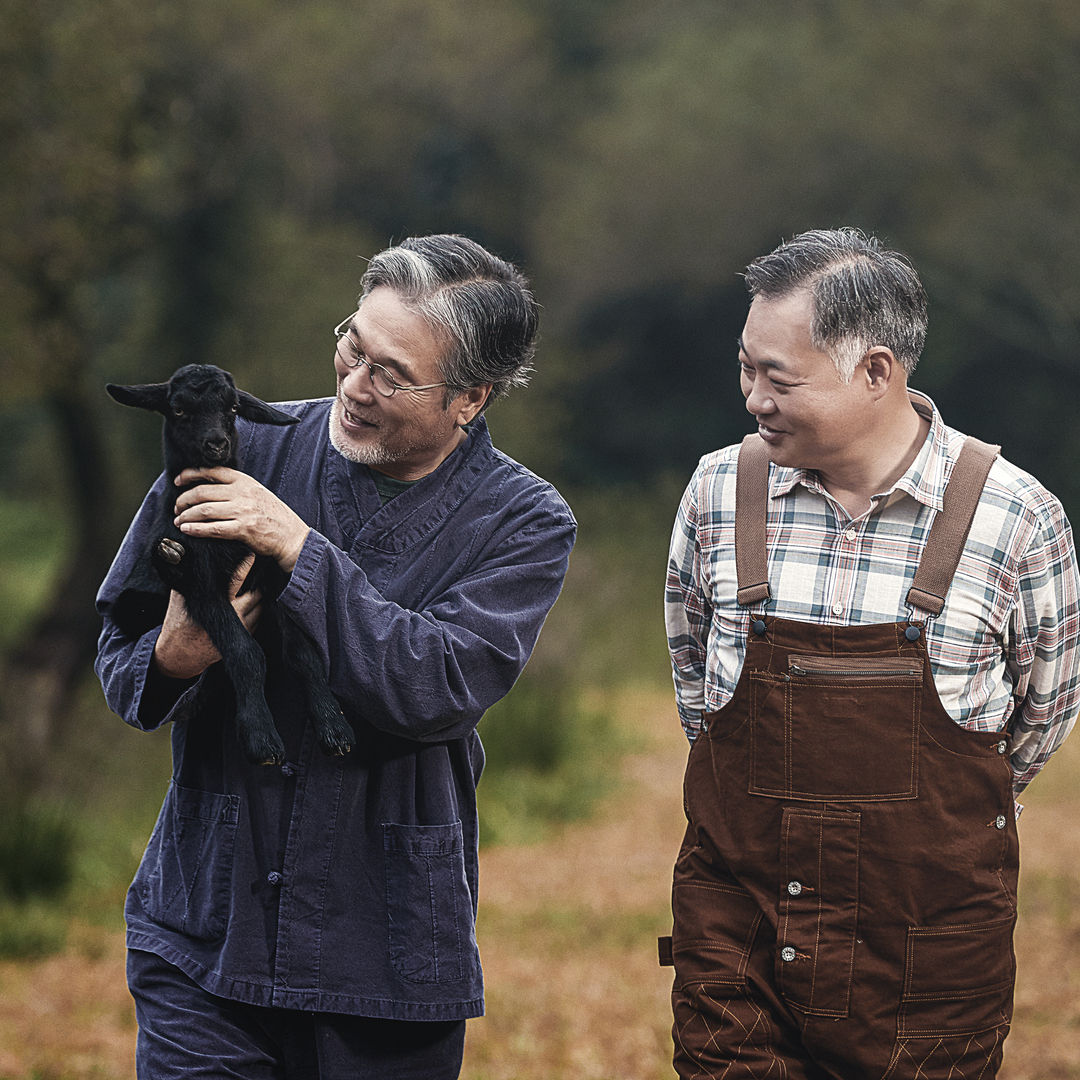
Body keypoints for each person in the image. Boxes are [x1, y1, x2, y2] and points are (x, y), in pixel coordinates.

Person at [95, 234, 576, 1079]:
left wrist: (299, 549)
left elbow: (436, 686)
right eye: (352, 346)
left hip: (384, 957)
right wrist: (173, 655)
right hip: (203, 934)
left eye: (391, 373)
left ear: (471, 396)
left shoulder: (524, 522)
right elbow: (122, 645)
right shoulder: (242, 444)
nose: (353, 386)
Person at [662, 227, 1080, 1079]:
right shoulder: (716, 491)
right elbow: (698, 685)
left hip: (929, 959)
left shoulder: (1017, 520)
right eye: (746, 367)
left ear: (877, 372)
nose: (752, 397)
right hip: (740, 936)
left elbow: (1037, 724)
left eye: (778, 378)